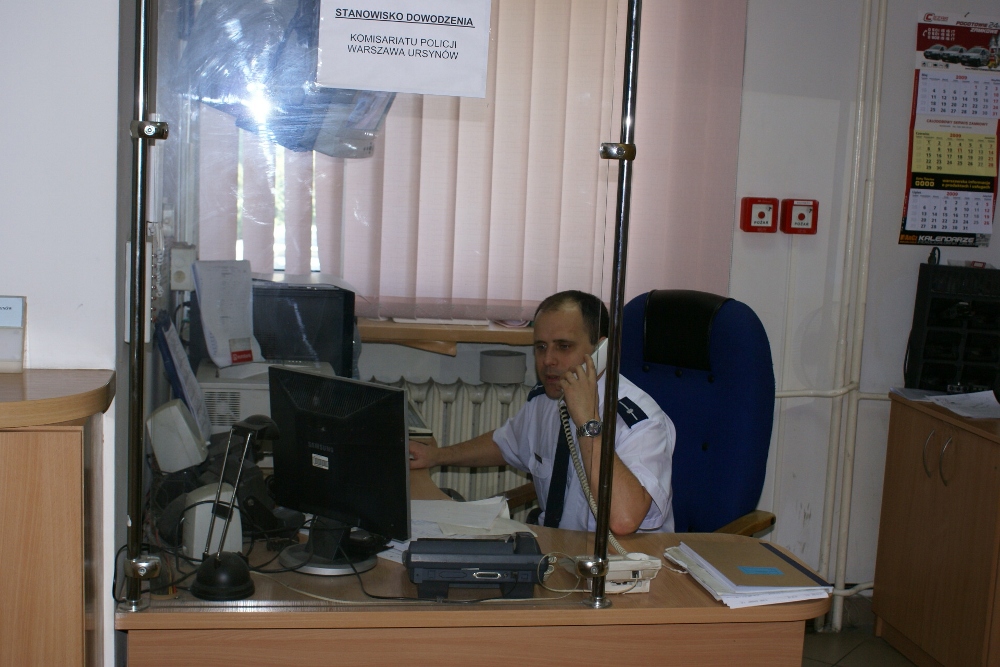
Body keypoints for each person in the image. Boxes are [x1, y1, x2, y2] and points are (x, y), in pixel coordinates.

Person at [409, 290, 675, 534]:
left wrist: (588, 421)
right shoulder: (548, 399)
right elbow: (506, 444)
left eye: (564, 346)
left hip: (624, 564)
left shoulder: (641, 422)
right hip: (558, 552)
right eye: (541, 347)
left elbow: (623, 520)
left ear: (600, 350)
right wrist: (437, 456)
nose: (548, 360)